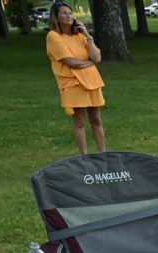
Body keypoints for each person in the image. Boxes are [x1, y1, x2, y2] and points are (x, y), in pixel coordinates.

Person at [46, 1, 105, 155]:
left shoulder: (80, 35)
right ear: (56, 17)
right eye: (64, 13)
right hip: (73, 82)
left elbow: (97, 57)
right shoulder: (53, 36)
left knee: (96, 120)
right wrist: (89, 63)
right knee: (79, 121)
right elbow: (70, 62)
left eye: (70, 13)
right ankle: (84, 157)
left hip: (92, 81)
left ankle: (103, 153)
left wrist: (87, 35)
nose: (68, 15)